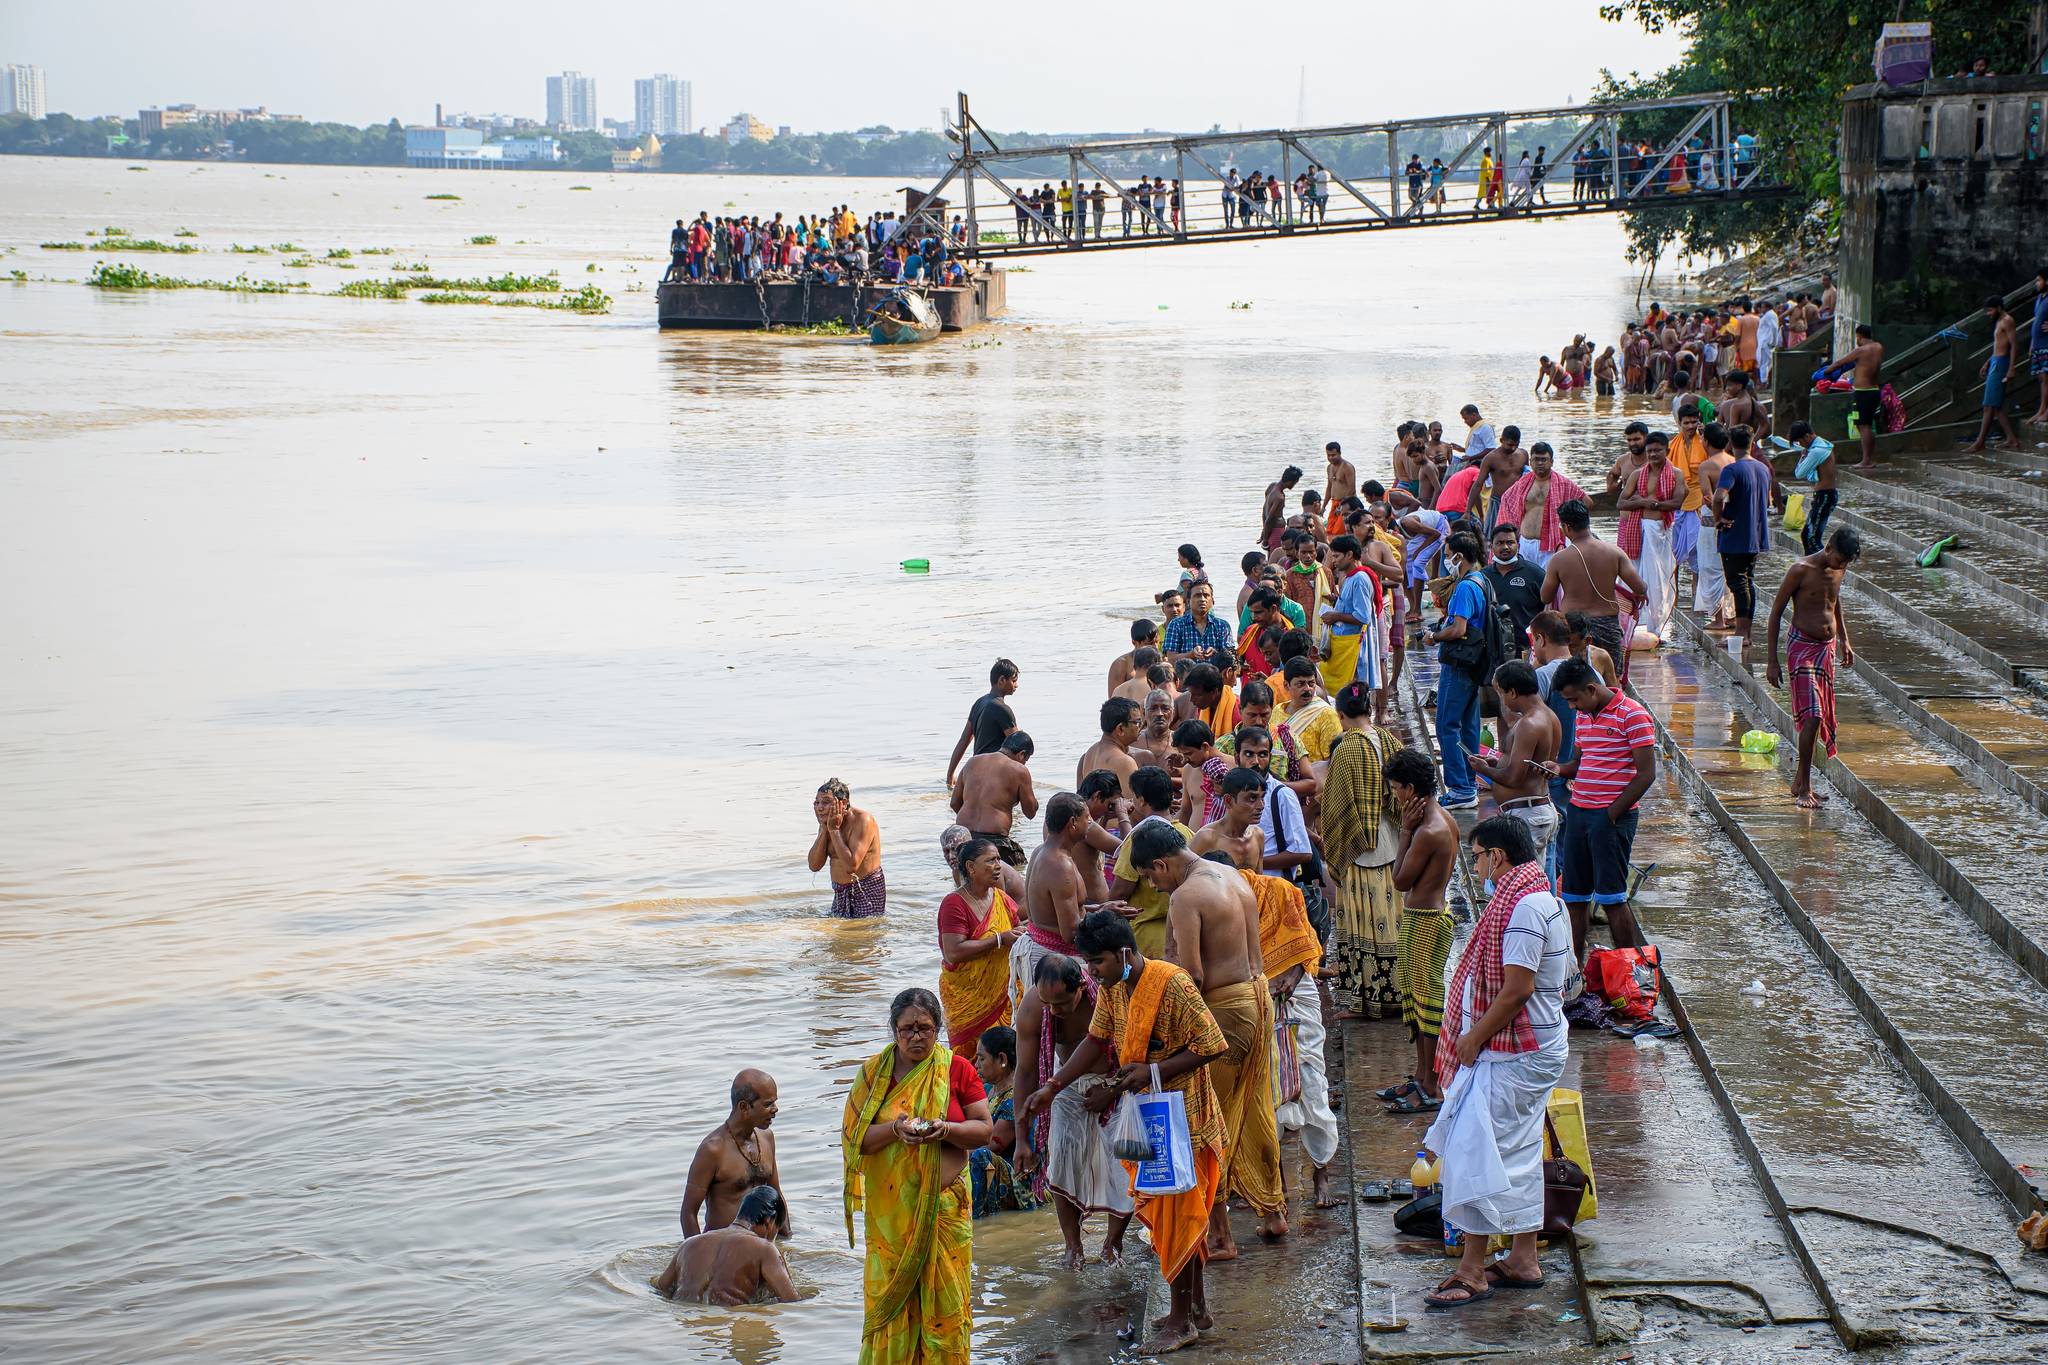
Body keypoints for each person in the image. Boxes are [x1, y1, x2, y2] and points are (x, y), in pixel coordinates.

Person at [1021, 910, 1228, 1354]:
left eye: (1096, 963)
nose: (1091, 972)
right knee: (1173, 1217)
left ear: (1123, 953)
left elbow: (1212, 1044)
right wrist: (1053, 1086)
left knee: (1179, 1218)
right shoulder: (1114, 991)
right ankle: (1195, 1309)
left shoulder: (1171, 982)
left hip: (1184, 1117)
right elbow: (1096, 1041)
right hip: (1149, 1113)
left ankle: (1180, 1320)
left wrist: (1153, 1070)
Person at [1419, 817, 1572, 1308]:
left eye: (1480, 855)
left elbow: (1518, 989)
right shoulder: (1542, 899)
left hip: (1515, 1052)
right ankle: (1523, 1259)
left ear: (1498, 857)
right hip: (1532, 1049)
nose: (1478, 865)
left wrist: (1472, 1038)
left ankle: (1472, 1269)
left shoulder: (1525, 909)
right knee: (1520, 1154)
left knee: (1474, 1152)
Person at [1131, 822, 1285, 1257]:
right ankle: (1273, 1213)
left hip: (1226, 1009)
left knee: (1207, 1118)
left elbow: (1193, 976)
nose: (1154, 887)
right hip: (1259, 996)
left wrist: (1162, 1027)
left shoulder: (1185, 896)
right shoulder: (1233, 876)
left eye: (1150, 877)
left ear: (1162, 863)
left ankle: (1220, 1235)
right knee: (1255, 1107)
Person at [841, 988, 993, 1365]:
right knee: (892, 1305)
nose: (916, 1037)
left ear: (938, 1029)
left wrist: (945, 1130)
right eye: (907, 1028)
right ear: (893, 1029)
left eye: (925, 1028)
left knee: (946, 1307)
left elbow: (984, 1130)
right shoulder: (873, 1075)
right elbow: (855, 1141)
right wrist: (895, 1129)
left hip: (945, 1212)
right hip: (892, 1220)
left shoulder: (956, 1068)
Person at [1012, 953, 1133, 1268]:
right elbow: (1024, 1073)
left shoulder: (1107, 996)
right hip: (1062, 1080)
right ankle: (1073, 1246)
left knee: (1124, 1163)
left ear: (1081, 986)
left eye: (1062, 1004)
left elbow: (1136, 1050)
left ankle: (1112, 1243)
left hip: (1116, 1078)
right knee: (1062, 1159)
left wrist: (1112, 1089)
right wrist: (1022, 1139)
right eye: (1048, 1003)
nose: (1054, 1011)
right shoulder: (1032, 1009)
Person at [1242, 860, 1341, 1206]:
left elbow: (1306, 941)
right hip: (1254, 996)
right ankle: (1276, 1184)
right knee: (1267, 1091)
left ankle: (1321, 1172)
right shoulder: (1223, 904)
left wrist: (1293, 977)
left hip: (1296, 992)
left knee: (1312, 1080)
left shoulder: (1280, 892)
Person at [1551, 659, 1656, 962]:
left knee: (1612, 898)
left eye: (1574, 699)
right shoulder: (1585, 717)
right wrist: (1558, 768)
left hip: (1611, 817)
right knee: (1574, 897)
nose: (1572, 708)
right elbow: (1579, 765)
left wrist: (1612, 813)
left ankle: (1629, 968)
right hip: (1579, 811)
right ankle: (1574, 970)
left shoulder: (1633, 715)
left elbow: (1646, 774)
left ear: (1592, 689)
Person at [1320, 682, 1405, 1019]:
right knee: (1394, 923)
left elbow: (1336, 806)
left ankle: (1366, 1001)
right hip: (1394, 844)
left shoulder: (1346, 750)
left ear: (1340, 715)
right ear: (1369, 711)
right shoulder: (1392, 742)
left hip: (1360, 851)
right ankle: (1398, 993)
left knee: (1363, 927)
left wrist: (1332, 847)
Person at [1767, 528, 1862, 810]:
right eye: (1840, 560)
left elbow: (1835, 602)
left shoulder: (1839, 569)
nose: (1841, 567)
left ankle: (1800, 780)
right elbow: (1775, 613)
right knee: (1813, 715)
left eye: (1846, 563)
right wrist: (1772, 660)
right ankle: (1804, 787)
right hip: (1802, 647)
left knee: (1819, 715)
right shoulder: (1800, 570)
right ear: (1829, 548)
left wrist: (1845, 639)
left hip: (1826, 648)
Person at [1422, 531, 1492, 810]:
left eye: (1448, 553)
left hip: (1459, 664)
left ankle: (1460, 788)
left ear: (1458, 556)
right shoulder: (1482, 580)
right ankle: (1470, 780)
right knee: (1468, 726)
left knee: (1447, 726)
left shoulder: (1465, 587)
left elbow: (1459, 628)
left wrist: (1434, 637)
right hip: (1474, 663)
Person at [680, 1070, 790, 1239]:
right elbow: (688, 1213)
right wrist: (699, 1257)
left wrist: (787, 1239)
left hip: (761, 1248)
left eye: (775, 1102)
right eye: (768, 1104)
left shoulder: (767, 1138)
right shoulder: (712, 1150)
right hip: (723, 1249)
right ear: (744, 1107)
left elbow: (777, 1195)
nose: (775, 1109)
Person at [1470, 661, 1561, 863]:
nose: (1500, 699)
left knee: (1526, 881)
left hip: (1528, 814)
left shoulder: (1528, 724)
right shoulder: (1549, 715)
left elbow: (1514, 778)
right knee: (1541, 879)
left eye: (1500, 693)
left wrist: (1483, 769)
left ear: (1512, 692)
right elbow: (1530, 764)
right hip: (1537, 809)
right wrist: (1497, 763)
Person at [1009, 792, 1095, 1006]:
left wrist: (1102, 908)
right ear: (1073, 823)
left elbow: (1063, 909)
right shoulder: (1059, 864)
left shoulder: (1043, 851)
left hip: (1042, 947)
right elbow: (1071, 932)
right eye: (1087, 817)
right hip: (1054, 961)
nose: (1091, 822)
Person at [938, 836, 1022, 1055]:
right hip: (966, 997)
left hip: (1002, 995)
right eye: (991, 860)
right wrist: (999, 940)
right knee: (969, 1060)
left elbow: (1015, 929)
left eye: (998, 860)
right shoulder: (954, 903)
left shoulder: (1001, 898)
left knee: (1003, 1056)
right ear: (971, 867)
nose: (998, 866)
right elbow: (953, 952)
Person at [655, 1185, 799, 1304]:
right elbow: (792, 1300)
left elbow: (661, 1288)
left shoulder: (689, 1244)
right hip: (726, 1319)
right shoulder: (765, 1249)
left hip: (687, 1323)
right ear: (770, 1222)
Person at [1109, 764, 1193, 959]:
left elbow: (1119, 893)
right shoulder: (1188, 834)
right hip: (1182, 934)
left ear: (1141, 800)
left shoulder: (1140, 838)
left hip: (1145, 938)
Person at [1614, 431, 1684, 644]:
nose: (1653, 454)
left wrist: (1655, 505)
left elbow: (1678, 502)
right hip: (1638, 531)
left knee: (1658, 583)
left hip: (1660, 532)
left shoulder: (1676, 474)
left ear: (1667, 451)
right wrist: (1645, 503)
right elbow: (1621, 503)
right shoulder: (1637, 474)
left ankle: (1656, 631)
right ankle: (1631, 629)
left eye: (1657, 450)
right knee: (1633, 580)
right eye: (1650, 451)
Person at [968, 1027, 1041, 1218]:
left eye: (982, 1058)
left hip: (1015, 1176)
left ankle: (979, 1219)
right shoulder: (986, 1090)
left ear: (1002, 1059)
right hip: (988, 1161)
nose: (976, 1065)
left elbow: (992, 1145)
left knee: (980, 1155)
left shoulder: (1014, 1100)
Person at [1715, 427, 1775, 642]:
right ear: (1752, 443)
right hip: (1756, 534)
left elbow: (1718, 496)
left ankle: (1742, 634)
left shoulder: (1731, 470)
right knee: (1747, 582)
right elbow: (1767, 501)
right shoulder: (1762, 468)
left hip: (1735, 534)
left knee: (1737, 583)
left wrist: (1718, 518)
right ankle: (1745, 633)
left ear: (1730, 443)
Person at [1317, 533, 1385, 710]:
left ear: (1349, 555)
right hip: (1346, 642)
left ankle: (1360, 719)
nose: (1334, 561)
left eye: (1337, 556)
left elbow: (1362, 617)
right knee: (1347, 686)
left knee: (1355, 687)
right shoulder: (1350, 577)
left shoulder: (1359, 579)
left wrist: (1335, 616)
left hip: (1354, 645)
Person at [951, 732, 1038, 868]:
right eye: (1025, 760)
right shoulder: (1019, 770)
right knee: (1019, 873)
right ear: (1022, 754)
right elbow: (1030, 812)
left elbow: (955, 803)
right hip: (994, 841)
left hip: (963, 836)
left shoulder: (972, 762)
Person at [1494, 442, 1585, 569]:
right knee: (1526, 584)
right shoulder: (1522, 485)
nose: (1540, 463)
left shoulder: (1563, 484)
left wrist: (1566, 527)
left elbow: (1586, 502)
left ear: (1551, 462)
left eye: (1544, 459)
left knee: (1551, 585)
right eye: (1536, 459)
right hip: (1525, 544)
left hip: (1552, 545)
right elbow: (1506, 500)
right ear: (1530, 462)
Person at [811, 778, 885, 918]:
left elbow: (852, 866)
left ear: (843, 803)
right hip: (839, 893)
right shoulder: (827, 822)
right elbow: (814, 865)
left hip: (866, 890)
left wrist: (834, 831)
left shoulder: (863, 820)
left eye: (826, 802)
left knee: (864, 934)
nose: (820, 807)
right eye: (817, 802)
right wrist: (825, 829)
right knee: (837, 938)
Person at [1816, 323, 1885, 469]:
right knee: (1868, 425)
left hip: (1863, 392)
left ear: (1859, 336)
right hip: (1874, 390)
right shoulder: (1878, 347)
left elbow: (1841, 362)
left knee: (1863, 426)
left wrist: (1825, 372)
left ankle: (1866, 460)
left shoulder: (1860, 350)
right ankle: (1869, 458)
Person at [946, 660, 1020, 787]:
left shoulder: (979, 703)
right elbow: (1018, 748)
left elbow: (964, 740)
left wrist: (950, 774)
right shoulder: (1003, 709)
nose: (1016, 685)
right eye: (1013, 680)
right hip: (994, 774)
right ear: (1002, 680)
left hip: (975, 771)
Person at [1966, 295, 2021, 453]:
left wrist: (2012, 368)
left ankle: (1980, 442)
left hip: (2002, 364)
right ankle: (2011, 439)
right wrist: (1988, 362)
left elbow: (2014, 345)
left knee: (1989, 405)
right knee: (1996, 406)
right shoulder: (1998, 321)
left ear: (1998, 307)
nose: (1988, 314)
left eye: (1990, 310)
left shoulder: (2007, 320)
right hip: (1995, 362)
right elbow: (1998, 345)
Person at [1484, 524, 1546, 654]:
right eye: (1500, 543)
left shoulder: (1535, 574)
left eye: (1510, 542)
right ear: (1491, 547)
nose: (1505, 547)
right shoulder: (1483, 576)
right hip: (1491, 648)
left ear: (1518, 545)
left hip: (1526, 648)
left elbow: (1547, 609)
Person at [1163, 580, 1233, 660]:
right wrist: (1191, 655)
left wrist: (1215, 653)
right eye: (1197, 595)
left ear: (1212, 601)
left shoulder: (1222, 626)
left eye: (1206, 595)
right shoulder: (1176, 625)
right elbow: (1171, 659)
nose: (1202, 599)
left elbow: (1231, 658)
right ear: (1188, 601)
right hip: (1188, 672)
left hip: (1215, 672)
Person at [1107, 621, 1159, 696]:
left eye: (1157, 642)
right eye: (1149, 643)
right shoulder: (1121, 664)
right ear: (1134, 643)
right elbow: (1112, 700)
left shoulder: (1160, 661)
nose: (1155, 647)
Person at [2026, 267, 2048, 428]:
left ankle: (2046, 411)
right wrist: (2032, 345)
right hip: (2038, 344)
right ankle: (2041, 409)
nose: (2036, 284)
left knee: (2047, 378)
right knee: (2041, 378)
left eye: (2039, 280)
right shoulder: (2040, 298)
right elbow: (2036, 321)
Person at [1262, 467, 1304, 550]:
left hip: (1270, 530)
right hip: (1276, 532)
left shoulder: (1272, 487)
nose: (1294, 485)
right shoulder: (1279, 497)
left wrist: (1264, 532)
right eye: (1295, 482)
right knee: (1276, 556)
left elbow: (1264, 511)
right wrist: (1265, 540)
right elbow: (1270, 519)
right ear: (1291, 481)